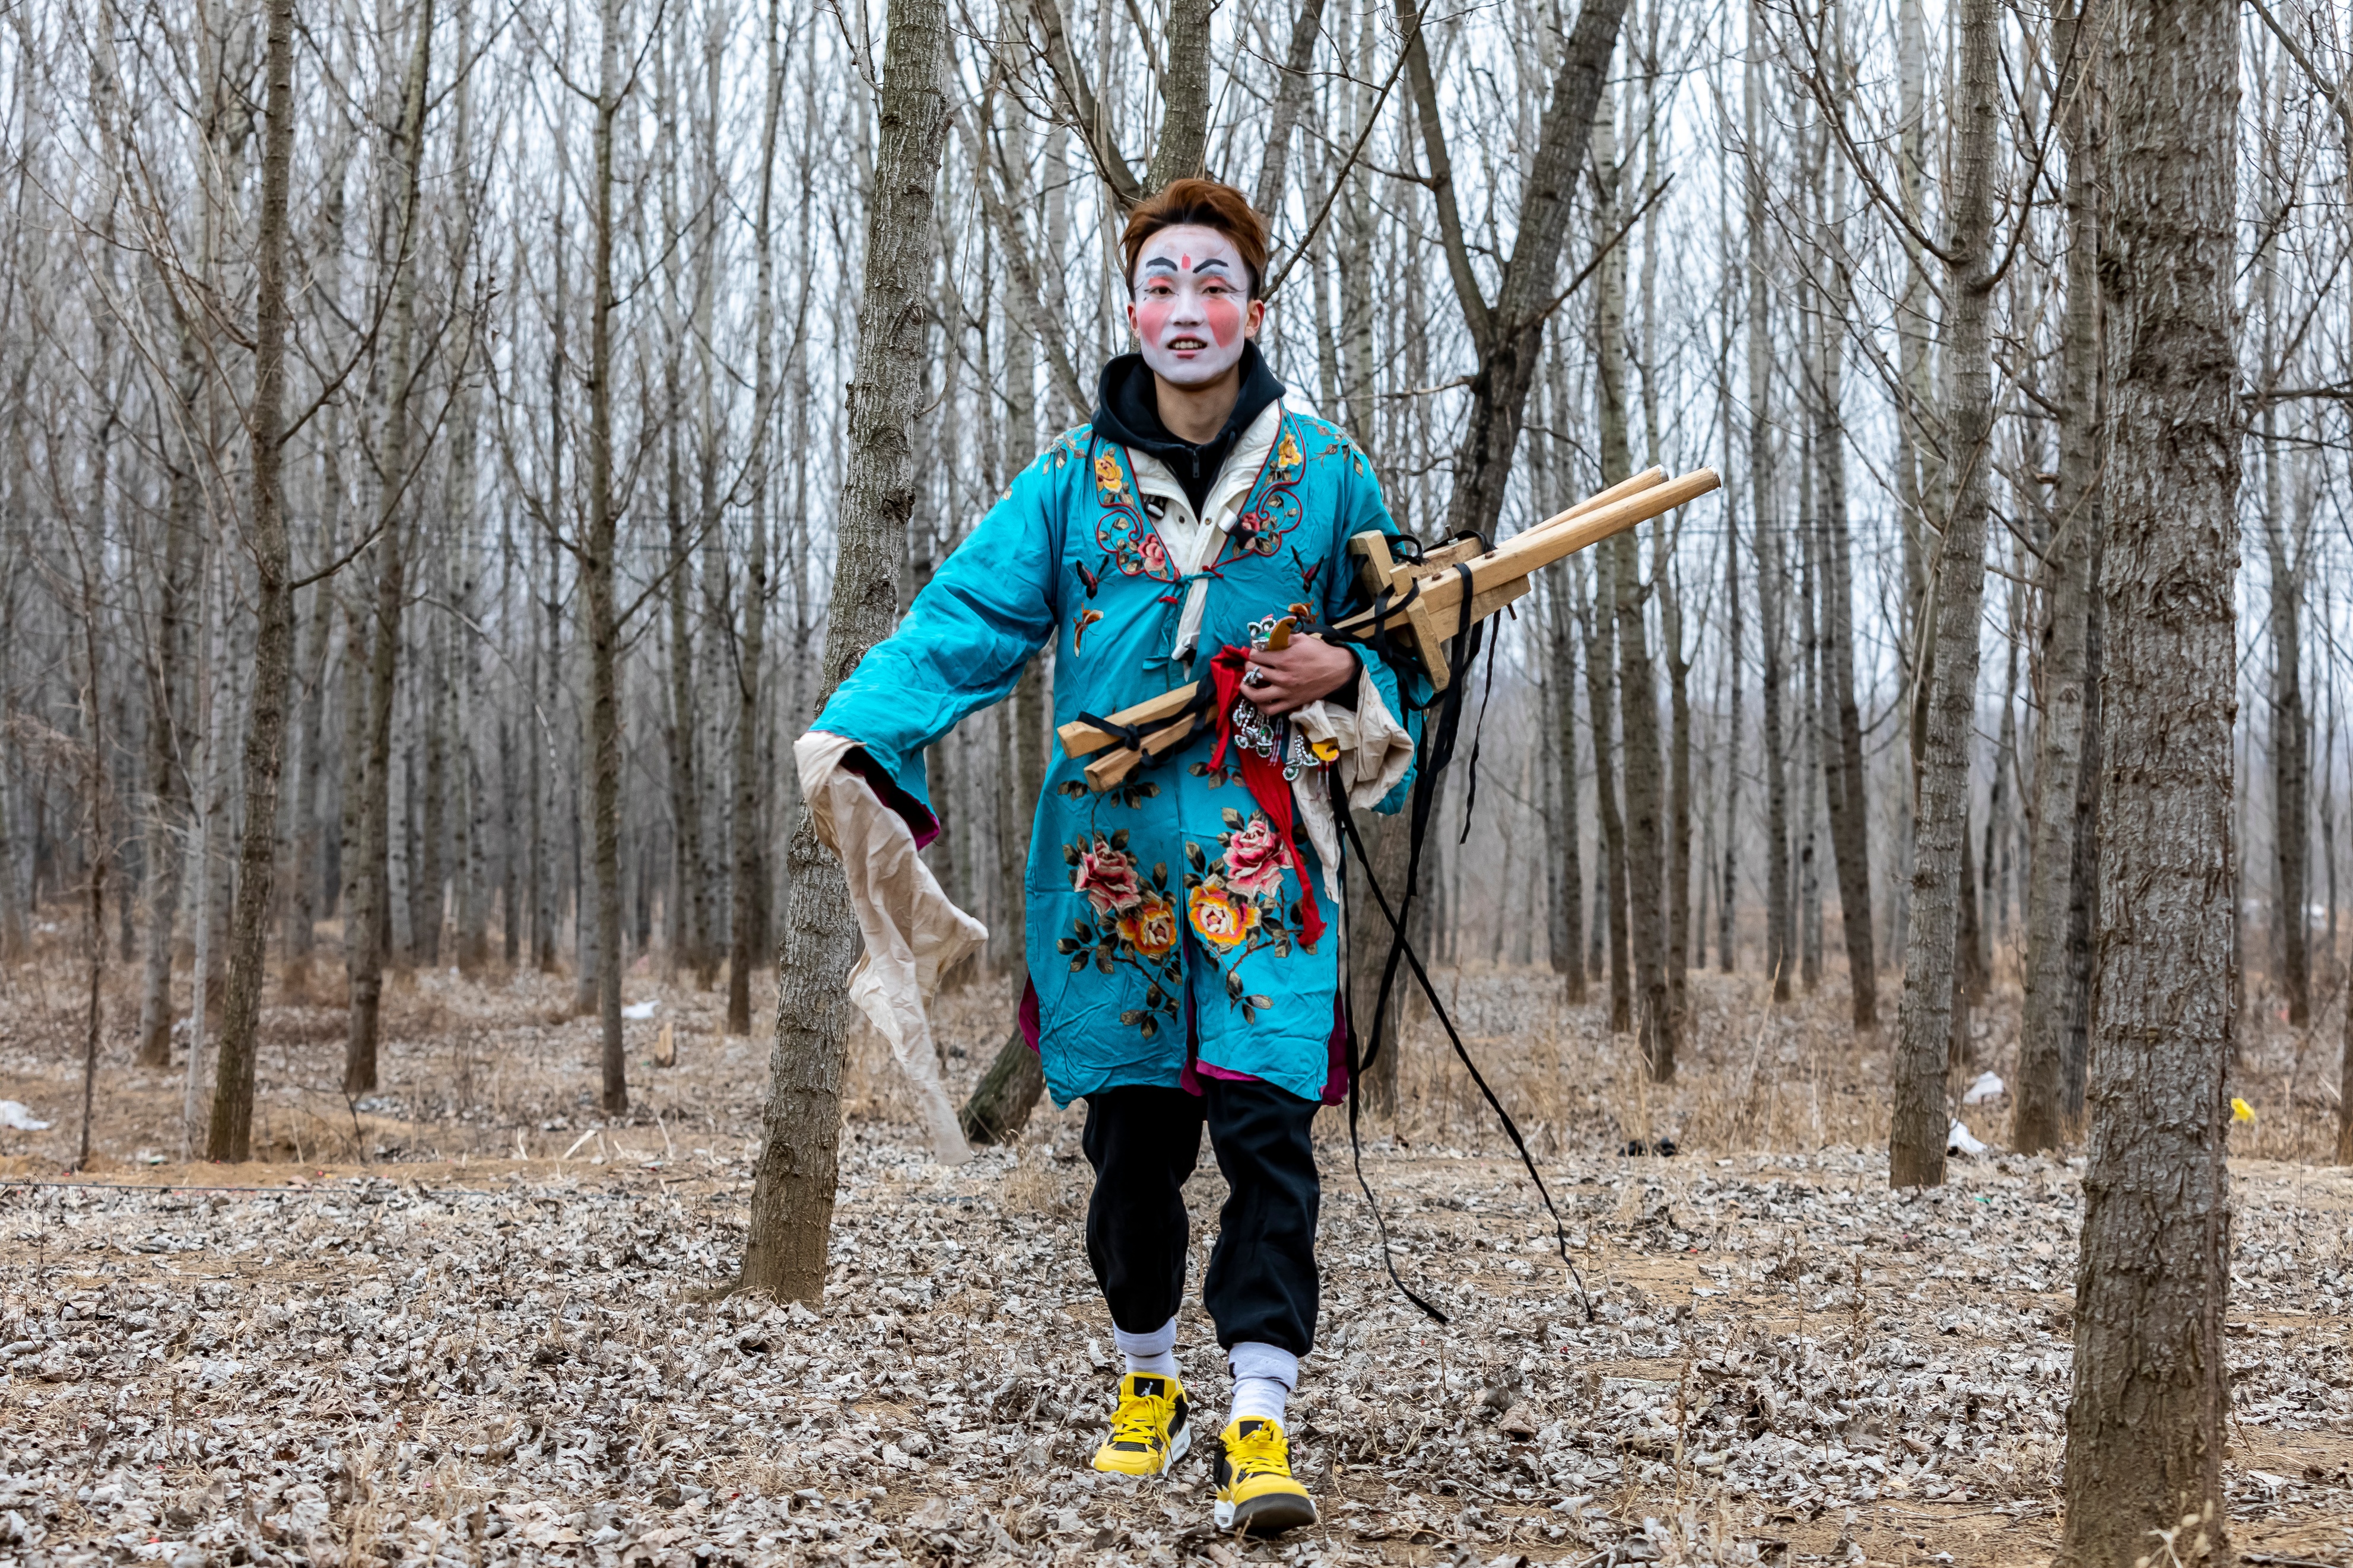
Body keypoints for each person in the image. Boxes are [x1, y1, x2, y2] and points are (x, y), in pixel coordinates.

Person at [802, 178, 1422, 1536]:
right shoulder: (1066, 487)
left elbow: (1416, 645)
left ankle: (1258, 1415)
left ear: (1253, 307)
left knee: (1269, 1135)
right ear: (1133, 308)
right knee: (1131, 1142)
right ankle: (1147, 1374)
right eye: (1162, 283)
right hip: (1111, 874)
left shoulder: (1327, 476)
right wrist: (855, 729)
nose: (1187, 309)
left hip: (1268, 868)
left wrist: (1346, 666)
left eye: (1214, 284)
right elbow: (962, 620)